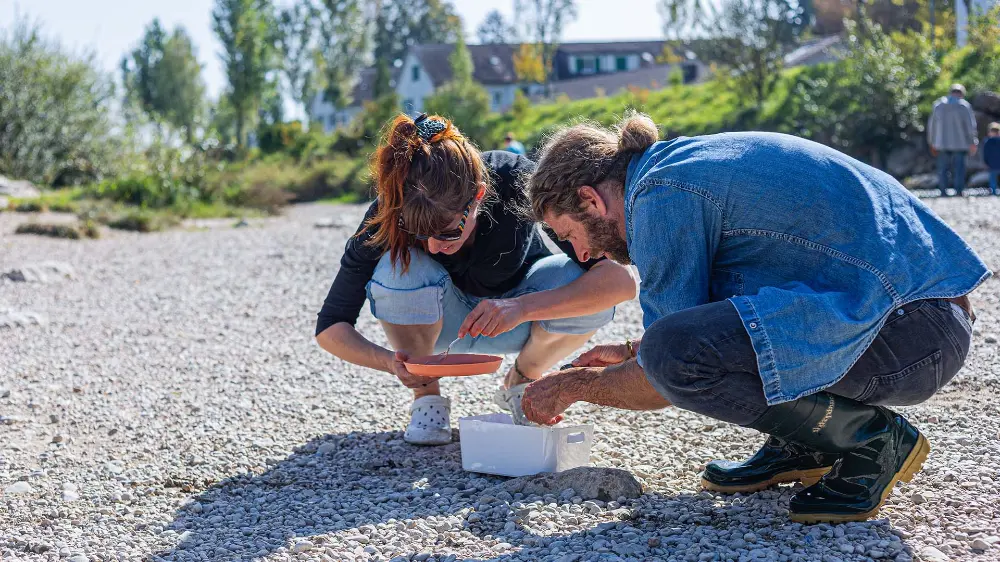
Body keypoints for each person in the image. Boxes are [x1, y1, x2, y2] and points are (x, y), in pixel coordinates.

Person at [520, 112, 990, 523]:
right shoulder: (676, 167)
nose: (583, 253)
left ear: (590, 199)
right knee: (676, 343)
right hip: (925, 320)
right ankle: (807, 441)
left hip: (915, 335)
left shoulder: (660, 195)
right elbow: (710, 319)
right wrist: (629, 352)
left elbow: (664, 374)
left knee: (672, 355)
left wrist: (572, 385)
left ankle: (869, 439)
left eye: (570, 236)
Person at [314, 113, 636, 445]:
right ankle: (427, 399)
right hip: (438, 325)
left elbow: (621, 283)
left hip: (517, 318)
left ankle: (523, 381)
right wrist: (392, 363)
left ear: (478, 196)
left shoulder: (515, 180)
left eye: (448, 231)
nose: (435, 246)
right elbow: (330, 327)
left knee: (584, 289)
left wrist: (521, 307)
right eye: (419, 234)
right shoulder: (389, 212)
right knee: (398, 266)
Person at [927, 83, 978, 196]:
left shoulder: (938, 105)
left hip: (941, 143)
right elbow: (970, 126)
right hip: (961, 144)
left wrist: (931, 142)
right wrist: (973, 141)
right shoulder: (964, 106)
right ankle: (959, 191)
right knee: (959, 168)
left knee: (943, 169)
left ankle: (943, 191)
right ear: (961, 94)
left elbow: (931, 126)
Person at [983, 122, 1000, 196]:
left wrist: (986, 162)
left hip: (992, 164)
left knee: (993, 179)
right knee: (993, 178)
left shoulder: (987, 142)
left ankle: (993, 192)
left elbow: (985, 153)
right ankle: (994, 191)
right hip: (996, 163)